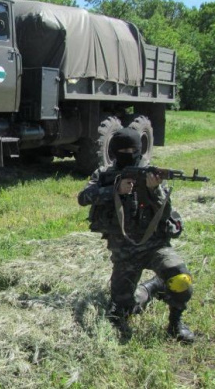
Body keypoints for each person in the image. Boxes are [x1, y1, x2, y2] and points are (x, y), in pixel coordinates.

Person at [77, 127, 195, 343]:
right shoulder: (103, 174)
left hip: (155, 246)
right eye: (123, 150)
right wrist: (115, 190)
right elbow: (83, 197)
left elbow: (166, 213)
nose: (129, 153)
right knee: (121, 312)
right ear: (114, 152)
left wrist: (154, 190)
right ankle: (151, 288)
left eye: (133, 149)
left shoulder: (152, 174)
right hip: (124, 253)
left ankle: (176, 324)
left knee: (180, 278)